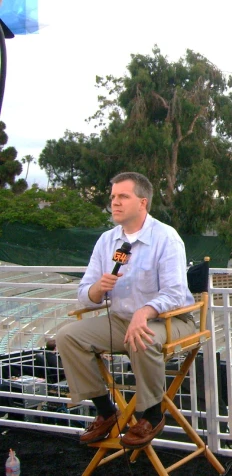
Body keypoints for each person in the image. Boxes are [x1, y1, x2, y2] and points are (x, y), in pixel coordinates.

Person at [56, 172, 196, 450]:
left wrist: (144, 313)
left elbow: (175, 293)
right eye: (112, 197)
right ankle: (107, 412)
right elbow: (84, 293)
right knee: (67, 336)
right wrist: (97, 289)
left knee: (141, 336)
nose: (114, 203)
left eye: (123, 196)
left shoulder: (167, 238)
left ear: (142, 202)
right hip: (120, 320)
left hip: (170, 320)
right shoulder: (107, 241)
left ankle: (152, 416)